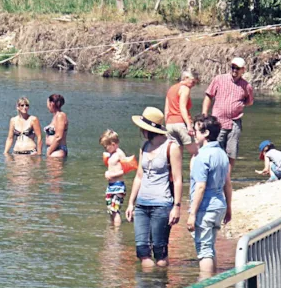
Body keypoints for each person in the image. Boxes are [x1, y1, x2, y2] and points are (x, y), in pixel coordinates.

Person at [125, 107, 183, 268]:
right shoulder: (144, 146)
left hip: (162, 204)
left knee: (160, 252)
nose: (140, 130)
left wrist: (176, 207)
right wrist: (131, 203)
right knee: (142, 251)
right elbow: (139, 176)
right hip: (142, 204)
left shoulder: (172, 147)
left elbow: (178, 180)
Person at [187, 115, 233, 274]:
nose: (193, 133)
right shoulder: (222, 154)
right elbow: (227, 183)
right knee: (210, 247)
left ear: (206, 133)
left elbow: (200, 187)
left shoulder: (202, 156)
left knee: (204, 250)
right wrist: (228, 208)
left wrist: (192, 213)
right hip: (219, 206)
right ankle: (212, 286)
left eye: (196, 130)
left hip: (205, 208)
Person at [202, 57, 254, 167]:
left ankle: (227, 180)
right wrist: (204, 115)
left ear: (243, 70)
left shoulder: (247, 86)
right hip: (218, 121)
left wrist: (238, 105)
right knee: (216, 150)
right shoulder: (219, 79)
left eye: (237, 68)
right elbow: (208, 96)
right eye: (233, 67)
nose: (234, 70)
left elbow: (249, 102)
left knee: (231, 152)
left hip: (235, 122)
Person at [165, 70, 200, 156]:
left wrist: (167, 123)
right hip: (181, 123)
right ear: (185, 78)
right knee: (196, 153)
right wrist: (189, 125)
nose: (193, 85)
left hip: (170, 124)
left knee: (175, 155)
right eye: (193, 82)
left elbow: (166, 109)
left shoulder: (171, 88)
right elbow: (182, 107)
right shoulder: (185, 89)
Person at [100, 129, 130, 227]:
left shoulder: (119, 153)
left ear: (113, 144)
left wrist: (112, 175)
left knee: (115, 210)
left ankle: (116, 233)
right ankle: (112, 229)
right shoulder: (111, 154)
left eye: (106, 147)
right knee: (110, 210)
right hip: (111, 186)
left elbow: (125, 170)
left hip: (118, 186)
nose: (105, 149)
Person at [45, 94, 69, 158]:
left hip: (58, 149)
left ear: (52, 103)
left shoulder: (60, 116)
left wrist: (49, 152)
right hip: (53, 150)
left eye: (47, 103)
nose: (47, 106)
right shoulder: (55, 116)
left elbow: (58, 137)